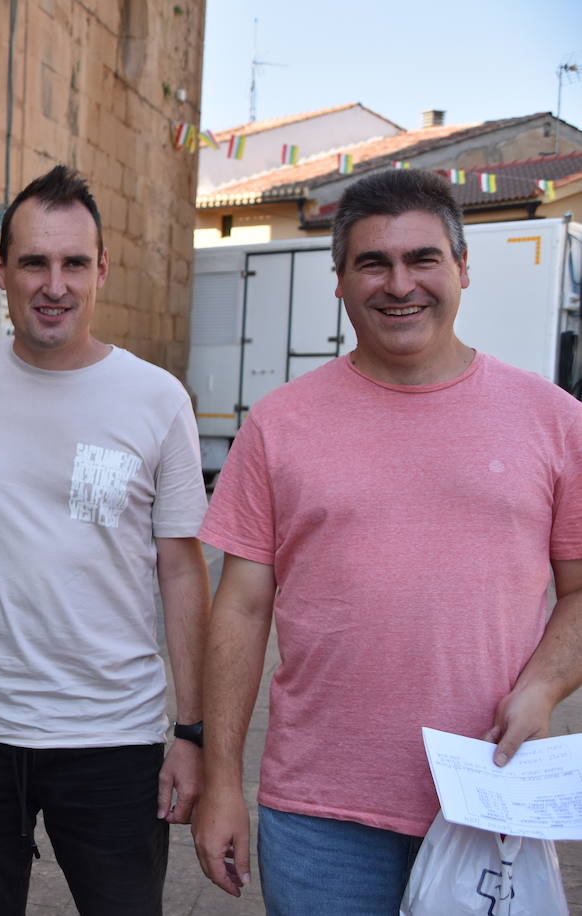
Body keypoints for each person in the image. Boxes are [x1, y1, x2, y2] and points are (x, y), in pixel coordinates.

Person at [191, 168, 582, 913]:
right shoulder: (281, 424)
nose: (399, 283)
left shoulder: (553, 419)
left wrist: (545, 684)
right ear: (338, 281)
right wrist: (221, 784)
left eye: (423, 258)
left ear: (463, 268)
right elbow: (240, 609)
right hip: (318, 814)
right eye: (373, 262)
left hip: (490, 801)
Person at [0, 165, 211, 915]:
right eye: (34, 262)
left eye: (74, 262)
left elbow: (183, 573)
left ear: (101, 270)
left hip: (114, 739)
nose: (55, 284)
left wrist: (193, 732)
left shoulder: (156, 399)